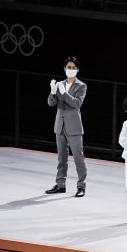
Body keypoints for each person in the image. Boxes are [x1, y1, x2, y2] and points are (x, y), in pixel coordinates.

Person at [45, 56, 88, 198]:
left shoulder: (81, 86)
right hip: (60, 124)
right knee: (61, 158)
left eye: (74, 68)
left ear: (77, 70)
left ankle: (81, 186)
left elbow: (77, 104)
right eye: (69, 67)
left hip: (74, 126)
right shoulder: (59, 84)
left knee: (78, 158)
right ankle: (60, 184)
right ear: (64, 69)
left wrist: (64, 93)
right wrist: (52, 92)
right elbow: (51, 104)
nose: (71, 70)